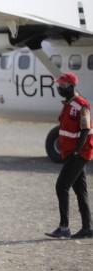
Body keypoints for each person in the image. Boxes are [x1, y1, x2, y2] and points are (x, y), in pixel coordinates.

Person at [45, 72, 93, 239]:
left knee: (61, 186)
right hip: (72, 154)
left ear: (72, 86)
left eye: (63, 85)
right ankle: (87, 228)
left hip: (78, 154)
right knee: (81, 191)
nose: (60, 88)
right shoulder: (69, 104)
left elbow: (86, 129)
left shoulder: (81, 105)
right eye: (59, 85)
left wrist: (77, 151)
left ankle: (64, 227)